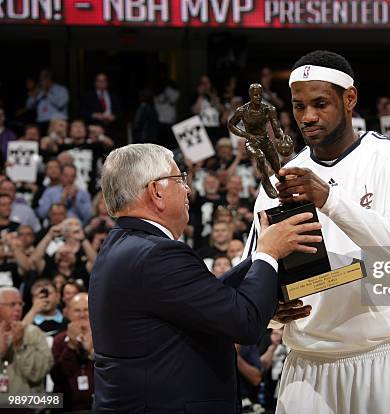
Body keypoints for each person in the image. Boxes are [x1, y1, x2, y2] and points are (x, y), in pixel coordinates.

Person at [243, 50, 390, 413]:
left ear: (350, 99)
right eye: (299, 106)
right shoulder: (277, 181)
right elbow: (256, 269)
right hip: (306, 363)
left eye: (320, 103)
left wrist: (330, 198)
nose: (308, 117)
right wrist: (271, 308)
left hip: (385, 356)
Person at [89, 143, 321, 413]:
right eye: (179, 179)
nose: (187, 188)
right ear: (156, 191)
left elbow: (199, 300)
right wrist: (269, 253)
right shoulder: (157, 254)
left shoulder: (122, 246)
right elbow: (245, 323)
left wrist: (258, 260)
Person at [228, 83, 293, 198]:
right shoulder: (242, 110)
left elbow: (276, 128)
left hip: (265, 140)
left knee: (277, 167)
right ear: (250, 95)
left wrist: (283, 136)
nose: (258, 97)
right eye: (255, 95)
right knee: (260, 156)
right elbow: (231, 125)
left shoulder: (269, 110)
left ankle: (285, 188)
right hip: (251, 141)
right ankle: (265, 181)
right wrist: (246, 135)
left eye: (260, 94)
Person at [0, 286, 53, 393]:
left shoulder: (34, 333)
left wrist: (20, 346)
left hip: (28, 403)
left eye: (20, 304)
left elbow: (39, 373)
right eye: (12, 304)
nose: (18, 308)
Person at [51, 293, 94, 412]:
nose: (82, 315)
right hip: (67, 408)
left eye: (86, 309)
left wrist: (91, 352)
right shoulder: (59, 340)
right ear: (68, 313)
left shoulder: (104, 338)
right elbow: (57, 377)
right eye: (77, 310)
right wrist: (71, 346)